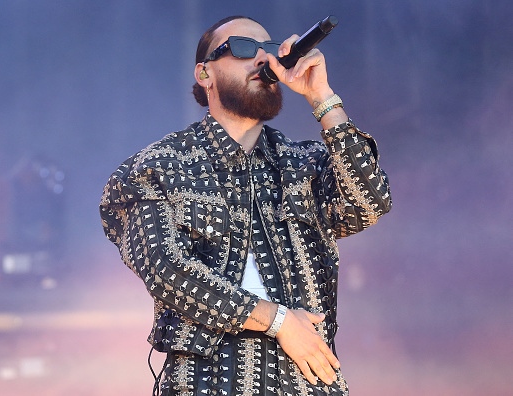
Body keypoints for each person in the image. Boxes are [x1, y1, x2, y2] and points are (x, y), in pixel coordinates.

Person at [100, 15, 391, 396]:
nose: (261, 61)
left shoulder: (304, 165)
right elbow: (167, 270)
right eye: (242, 49)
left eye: (269, 52)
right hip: (206, 383)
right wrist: (279, 321)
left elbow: (370, 200)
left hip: (307, 384)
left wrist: (321, 96)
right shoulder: (158, 167)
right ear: (205, 74)